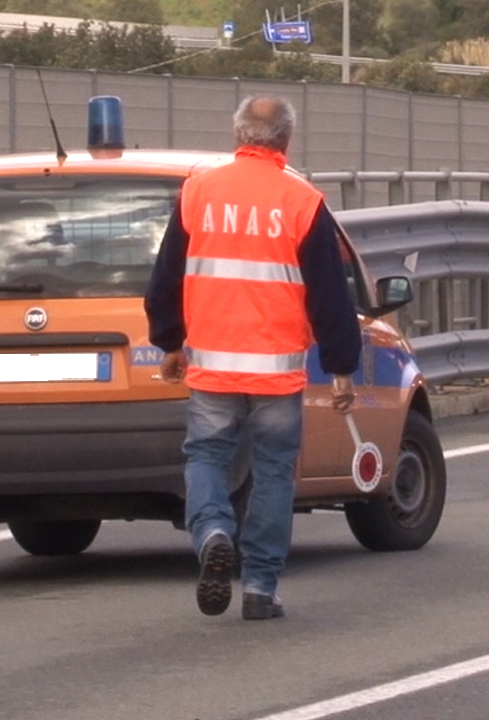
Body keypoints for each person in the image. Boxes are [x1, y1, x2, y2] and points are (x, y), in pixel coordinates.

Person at [144, 95, 361, 620]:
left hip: (213, 365)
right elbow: (331, 295)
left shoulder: (198, 192)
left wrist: (170, 341)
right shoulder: (303, 201)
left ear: (239, 136)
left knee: (207, 458)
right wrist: (340, 366)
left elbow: (166, 277)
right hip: (277, 370)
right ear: (286, 140)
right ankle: (261, 587)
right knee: (272, 472)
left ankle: (214, 532)